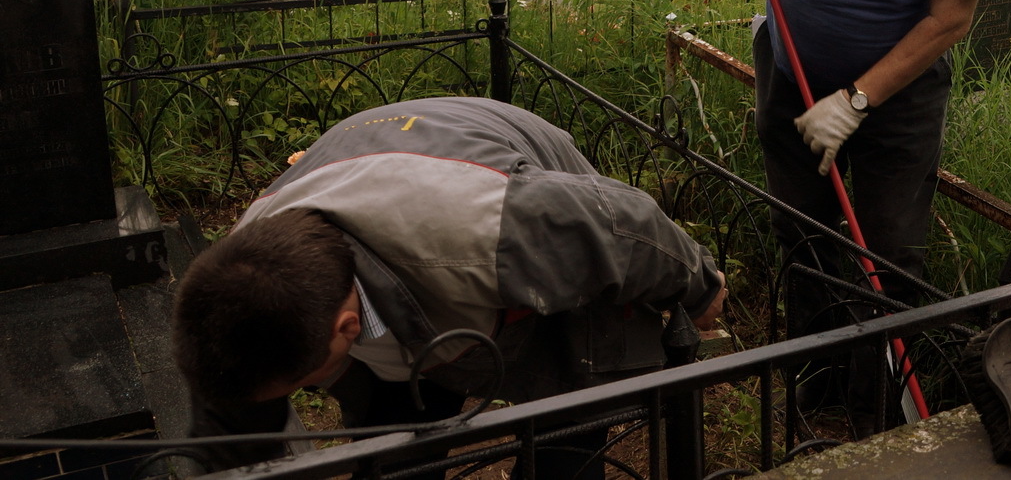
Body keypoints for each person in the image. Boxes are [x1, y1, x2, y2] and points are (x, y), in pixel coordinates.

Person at [691, 0, 1000, 426]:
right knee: (805, 235)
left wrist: (858, 100)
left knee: (891, 257)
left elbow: (951, 17)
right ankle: (819, 394)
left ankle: (881, 421)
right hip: (794, 67)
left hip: (900, 93)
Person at [172, 96, 727, 479]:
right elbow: (232, 435)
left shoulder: (487, 229)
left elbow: (623, 224)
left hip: (507, 183)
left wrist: (701, 290)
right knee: (394, 441)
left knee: (567, 414)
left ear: (347, 328)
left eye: (302, 384)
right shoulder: (240, 281)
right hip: (393, 187)